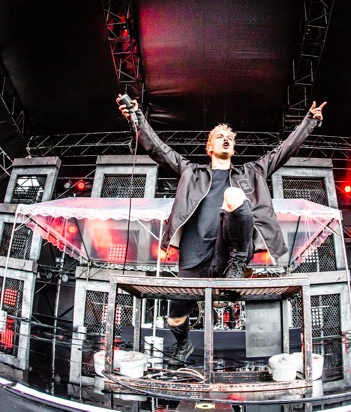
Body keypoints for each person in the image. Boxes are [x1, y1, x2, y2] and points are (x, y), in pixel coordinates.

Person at [117, 95, 326, 364]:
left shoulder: (251, 173)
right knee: (174, 317)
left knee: (234, 195)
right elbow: (158, 149)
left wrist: (309, 122)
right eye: (219, 136)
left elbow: (282, 151)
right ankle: (183, 345)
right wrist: (136, 117)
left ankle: (237, 265)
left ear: (234, 148)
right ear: (209, 147)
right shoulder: (190, 172)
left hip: (228, 255)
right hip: (194, 256)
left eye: (230, 138)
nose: (226, 139)